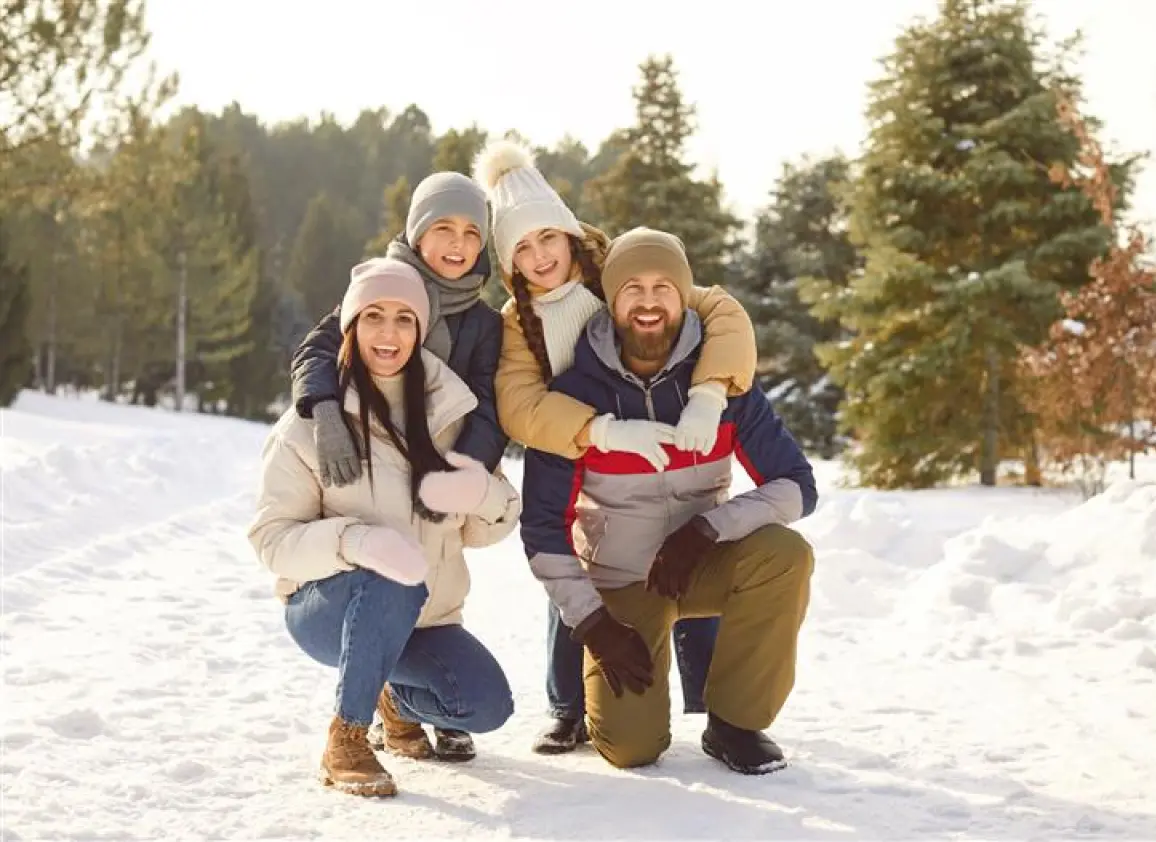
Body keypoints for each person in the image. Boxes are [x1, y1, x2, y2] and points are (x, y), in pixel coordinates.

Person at [474, 139, 758, 754]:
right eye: (521, 247)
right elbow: (519, 404)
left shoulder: (619, 275)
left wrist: (710, 391)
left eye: (547, 237)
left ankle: (712, 702)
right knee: (575, 564)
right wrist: (598, 430)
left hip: (671, 439)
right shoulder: (518, 323)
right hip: (588, 458)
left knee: (690, 550)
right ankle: (568, 707)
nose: (539, 256)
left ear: (569, 234)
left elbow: (721, 311)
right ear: (509, 260)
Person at [520, 227, 817, 775]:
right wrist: (593, 624)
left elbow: (798, 486)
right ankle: (585, 706)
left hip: (700, 563)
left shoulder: (725, 387)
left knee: (785, 554)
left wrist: (708, 530)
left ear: (684, 297)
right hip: (622, 582)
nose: (649, 302)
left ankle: (735, 724)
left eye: (664, 287)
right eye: (632, 288)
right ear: (611, 302)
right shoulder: (574, 398)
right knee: (631, 749)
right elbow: (541, 529)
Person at [248, 258, 519, 797]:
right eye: (373, 316)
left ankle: (388, 695)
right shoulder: (309, 424)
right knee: (390, 576)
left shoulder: (451, 413)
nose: (389, 334)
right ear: (351, 325)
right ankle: (346, 737)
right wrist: (355, 542)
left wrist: (480, 493)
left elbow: (488, 527)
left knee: (486, 705)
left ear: (420, 330)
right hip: (329, 610)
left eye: (403, 319)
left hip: (426, 618)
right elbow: (272, 541)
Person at [289, 170, 505, 759]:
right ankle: (354, 722)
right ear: (415, 232)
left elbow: (489, 404)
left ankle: (410, 695)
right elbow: (318, 349)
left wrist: (463, 471)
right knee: (383, 566)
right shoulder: (381, 287)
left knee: (432, 573)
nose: (458, 244)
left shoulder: (483, 323)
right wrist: (325, 411)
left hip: (431, 464)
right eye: (443, 228)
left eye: (472, 232)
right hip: (369, 456)